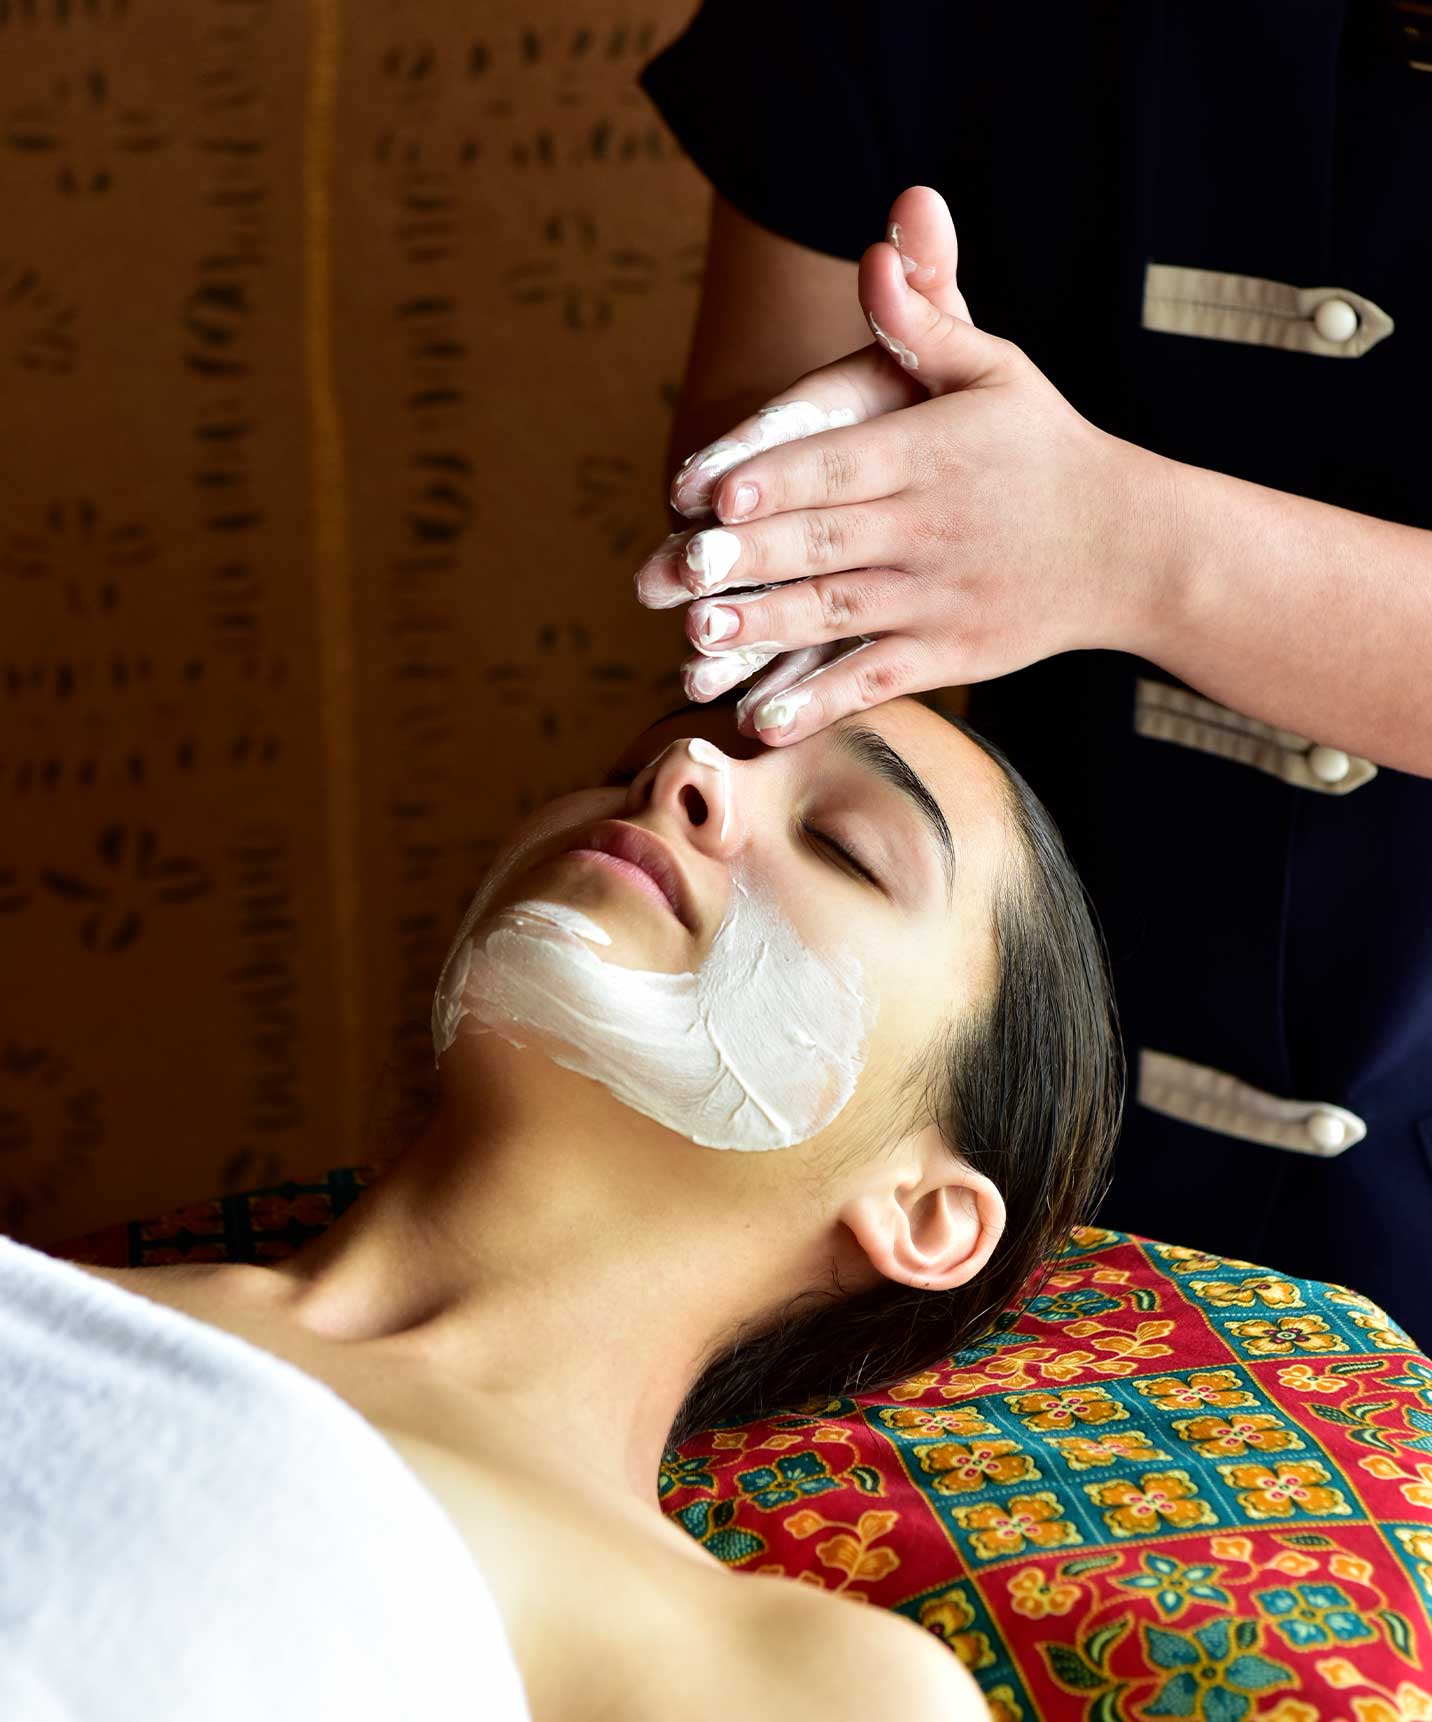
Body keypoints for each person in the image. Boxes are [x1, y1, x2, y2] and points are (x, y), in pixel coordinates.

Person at [37, 688, 1121, 1720]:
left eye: (842, 842)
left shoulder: (759, 1674)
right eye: (632, 762)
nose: (683, 771)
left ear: (923, 1214)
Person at [636, 1, 1432, 1344]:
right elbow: (750, 594)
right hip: (1010, 1160)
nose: (673, 794)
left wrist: (1127, 549)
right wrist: (833, 521)